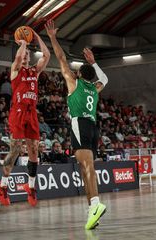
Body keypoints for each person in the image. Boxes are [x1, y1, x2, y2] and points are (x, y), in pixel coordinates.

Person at [46, 20, 108, 230]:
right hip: (92, 126)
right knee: (85, 168)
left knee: (87, 167)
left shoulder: (75, 84)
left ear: (80, 75)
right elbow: (105, 79)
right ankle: (93, 209)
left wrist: (53, 37)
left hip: (80, 124)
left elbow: (61, 58)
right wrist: (94, 62)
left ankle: (97, 203)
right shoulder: (95, 88)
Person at [0, 26, 50, 206]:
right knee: (16, 148)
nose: (26, 56)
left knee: (34, 150)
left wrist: (37, 37)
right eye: (25, 54)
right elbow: (18, 57)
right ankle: (3, 186)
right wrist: (24, 44)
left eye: (28, 55)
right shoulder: (15, 70)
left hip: (32, 112)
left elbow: (46, 56)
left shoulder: (34, 71)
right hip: (18, 112)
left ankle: (31, 187)